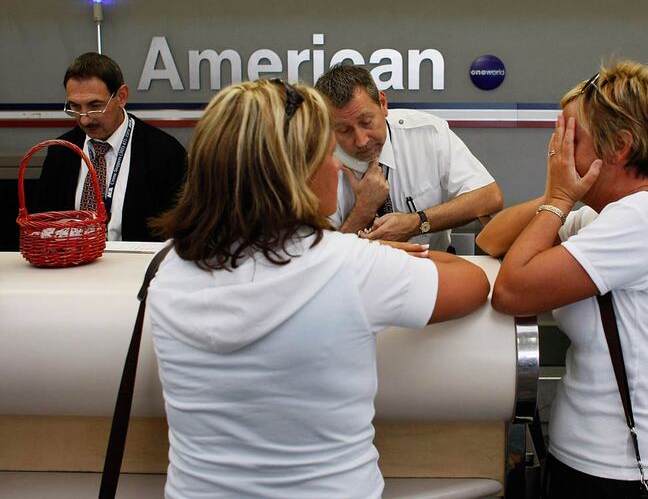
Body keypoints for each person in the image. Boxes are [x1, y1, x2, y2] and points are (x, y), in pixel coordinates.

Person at [146, 79, 490, 498]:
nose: (338, 166)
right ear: (291, 175)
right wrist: (388, 254)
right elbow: (472, 283)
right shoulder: (347, 265)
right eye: (328, 154)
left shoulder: (166, 266)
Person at [477, 61, 648, 498]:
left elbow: (512, 292)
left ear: (619, 146)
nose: (556, 151)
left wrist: (560, 195)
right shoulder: (603, 217)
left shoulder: (640, 219)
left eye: (570, 138)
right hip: (588, 457)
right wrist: (560, 191)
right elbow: (491, 240)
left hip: (617, 471)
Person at [315, 63, 503, 252]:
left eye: (366, 122)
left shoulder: (427, 134)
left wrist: (417, 222)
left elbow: (489, 196)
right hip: (352, 277)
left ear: (382, 103)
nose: (361, 140)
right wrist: (363, 210)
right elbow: (318, 262)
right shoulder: (315, 162)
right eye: (344, 130)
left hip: (433, 268)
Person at [34, 52, 186, 241]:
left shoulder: (165, 153)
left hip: (136, 266)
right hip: (71, 264)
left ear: (121, 96)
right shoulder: (62, 152)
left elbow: (176, 230)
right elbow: (42, 225)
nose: (84, 118)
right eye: (75, 107)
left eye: (95, 105)